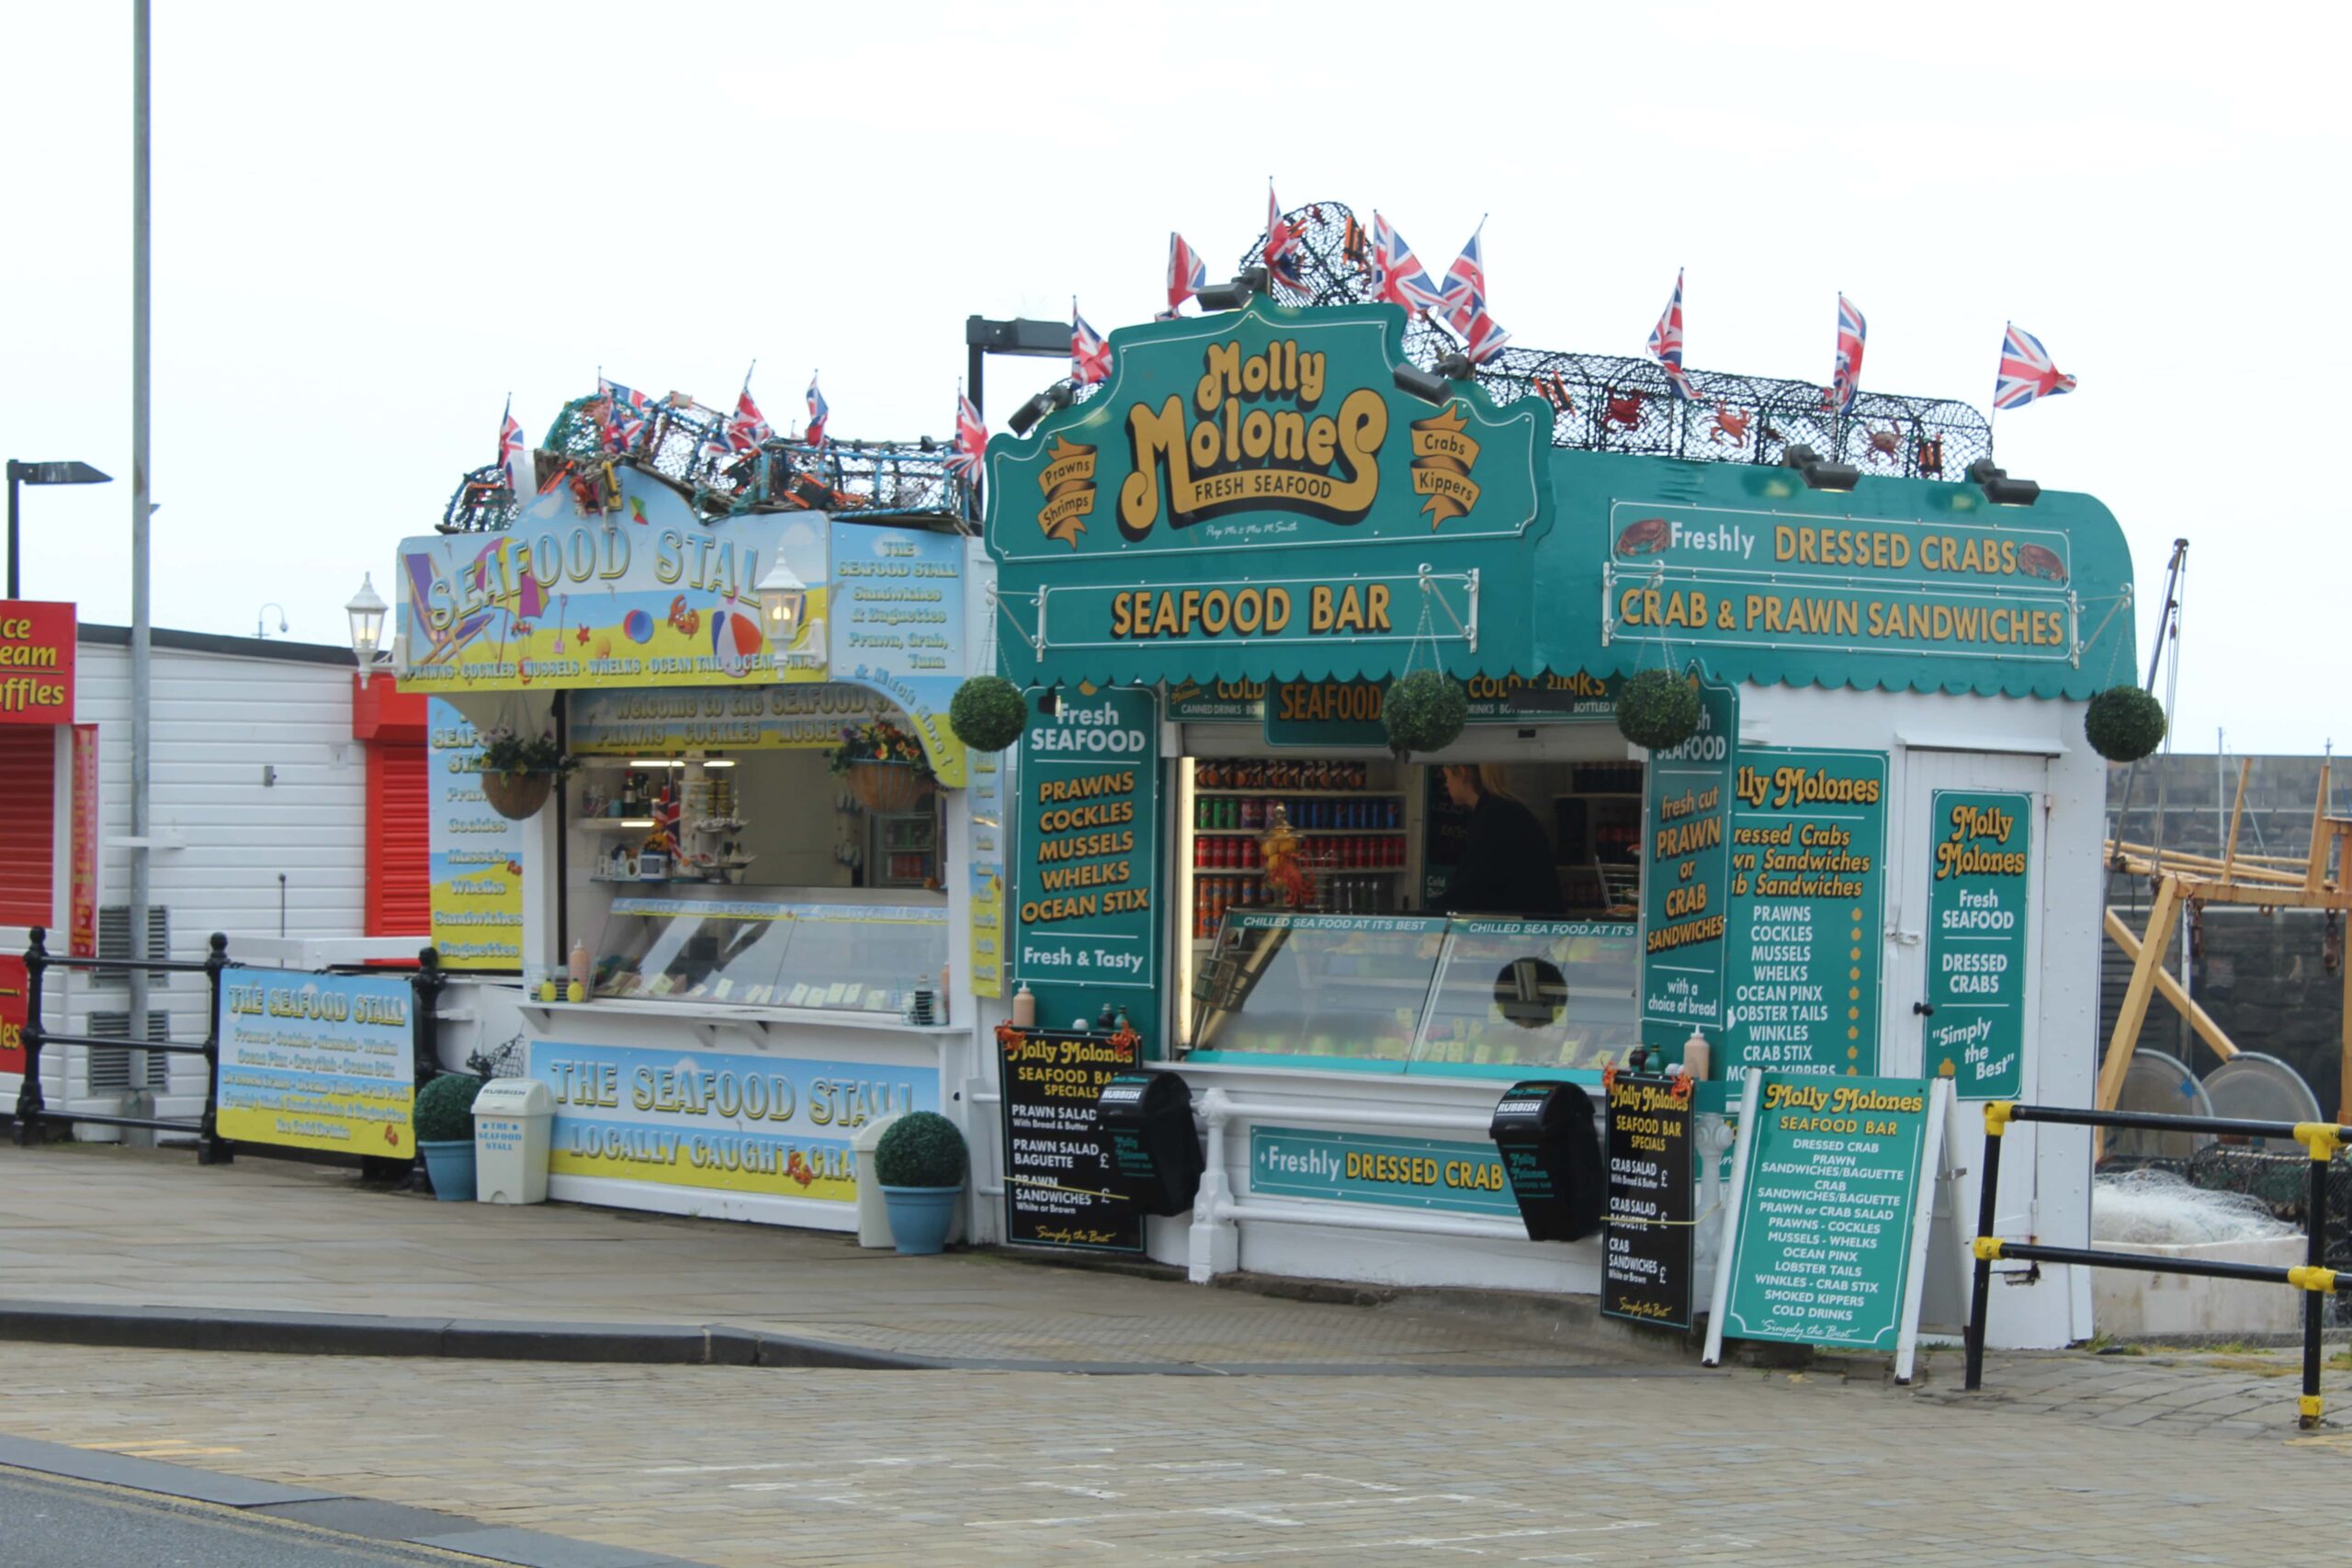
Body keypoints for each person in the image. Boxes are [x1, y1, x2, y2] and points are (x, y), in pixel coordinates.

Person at [1433, 764, 1566, 916]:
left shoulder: (1495, 816)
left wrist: (1427, 916)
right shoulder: (1499, 810)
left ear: (1462, 773)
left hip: (1530, 929)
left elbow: (1475, 885)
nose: (1446, 783)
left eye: (1448, 776)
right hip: (1532, 925)